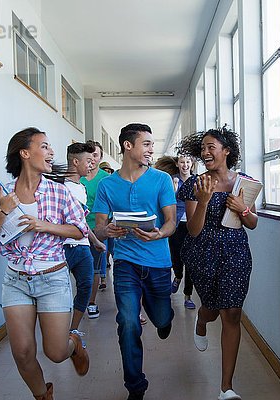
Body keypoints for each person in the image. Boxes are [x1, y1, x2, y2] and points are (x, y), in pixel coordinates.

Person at [0, 127, 90, 400]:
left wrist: (44, 225)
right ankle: (43, 395)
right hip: (16, 280)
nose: (51, 153)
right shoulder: (1, 193)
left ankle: (75, 344)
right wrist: (3, 210)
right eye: (45, 146)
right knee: (22, 352)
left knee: (56, 352)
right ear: (25, 153)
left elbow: (80, 230)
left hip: (52, 278)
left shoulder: (59, 192)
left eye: (50, 147)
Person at [93, 123, 176, 400]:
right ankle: (135, 386)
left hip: (158, 261)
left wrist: (158, 234)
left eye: (153, 144)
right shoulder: (107, 185)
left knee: (162, 317)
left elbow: (171, 222)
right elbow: (100, 228)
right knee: (128, 322)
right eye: (147, 144)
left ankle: (164, 320)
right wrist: (109, 231)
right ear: (128, 146)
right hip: (126, 261)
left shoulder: (162, 179)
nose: (152, 149)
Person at [176, 127, 258, 400]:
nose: (205, 152)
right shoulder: (195, 184)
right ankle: (201, 319)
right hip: (203, 252)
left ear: (226, 151)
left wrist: (242, 208)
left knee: (232, 313)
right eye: (202, 148)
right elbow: (194, 230)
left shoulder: (244, 183)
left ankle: (226, 388)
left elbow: (252, 223)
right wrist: (204, 201)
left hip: (235, 251)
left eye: (211, 147)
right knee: (212, 309)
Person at [63, 142, 107, 334]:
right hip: (64, 248)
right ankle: (60, 331)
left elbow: (80, 221)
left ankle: (73, 330)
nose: (92, 164)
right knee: (62, 293)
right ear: (75, 161)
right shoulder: (60, 187)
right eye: (88, 161)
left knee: (86, 286)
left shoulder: (81, 188)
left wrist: (95, 242)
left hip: (82, 247)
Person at [80, 141, 108, 318]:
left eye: (95, 155)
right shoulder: (77, 177)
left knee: (95, 268)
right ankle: (77, 301)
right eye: (88, 156)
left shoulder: (105, 179)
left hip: (97, 230)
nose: (91, 159)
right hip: (76, 231)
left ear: (100, 157)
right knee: (80, 268)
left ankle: (91, 302)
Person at [169, 155, 196, 309]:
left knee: (191, 262)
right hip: (177, 223)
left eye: (188, 162)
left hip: (192, 224)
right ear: (177, 164)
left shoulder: (197, 180)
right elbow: (168, 201)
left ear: (192, 164)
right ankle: (178, 276)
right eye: (182, 162)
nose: (185, 165)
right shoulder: (172, 180)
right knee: (177, 257)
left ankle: (188, 296)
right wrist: (173, 188)